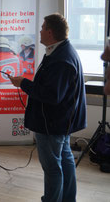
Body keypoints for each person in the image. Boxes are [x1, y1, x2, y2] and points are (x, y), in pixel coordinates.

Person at [9, 13, 87, 202]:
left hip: (52, 123)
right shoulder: (60, 51)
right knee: (65, 160)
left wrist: (23, 84)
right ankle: (68, 199)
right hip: (60, 122)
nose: (40, 31)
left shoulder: (61, 59)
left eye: (43, 28)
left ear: (50, 32)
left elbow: (52, 96)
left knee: (52, 167)